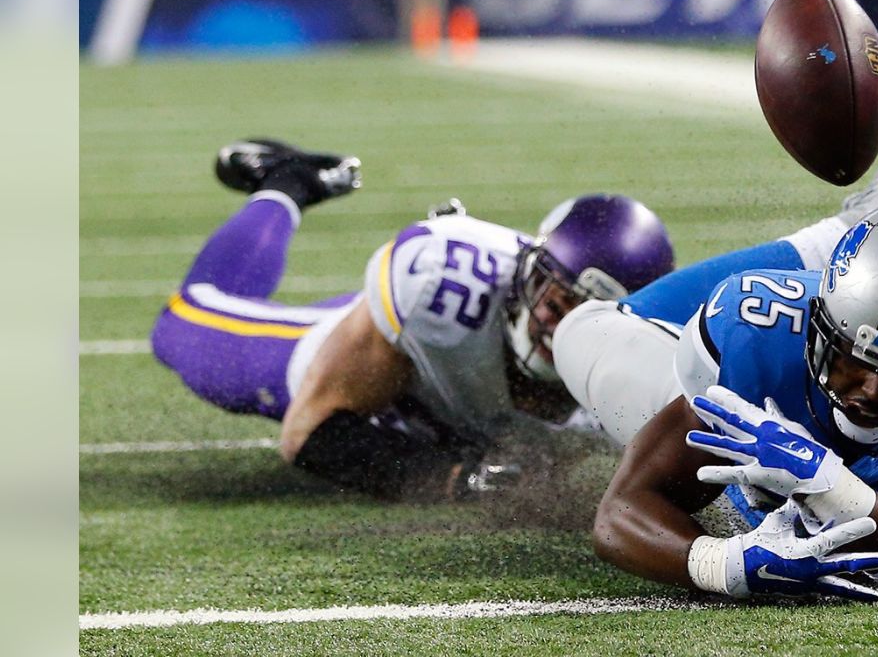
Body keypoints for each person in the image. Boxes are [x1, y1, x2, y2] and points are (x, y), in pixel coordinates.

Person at [553, 118, 878, 599]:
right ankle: (835, 235)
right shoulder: (758, 342)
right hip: (758, 356)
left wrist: (830, 486)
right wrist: (724, 564)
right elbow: (621, 513)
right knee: (581, 330)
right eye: (853, 360)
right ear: (820, 330)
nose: (870, 389)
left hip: (850, 466)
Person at [149, 138, 676, 498]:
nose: (551, 321)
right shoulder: (443, 282)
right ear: (528, 273)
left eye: (582, 312)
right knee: (183, 322)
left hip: (440, 397)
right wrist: (460, 481)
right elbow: (310, 433)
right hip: (387, 367)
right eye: (554, 296)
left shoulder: (641, 384)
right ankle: (288, 184)